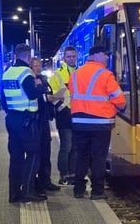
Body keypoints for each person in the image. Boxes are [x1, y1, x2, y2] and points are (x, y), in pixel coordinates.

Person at [69, 46, 126, 200]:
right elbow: (120, 101)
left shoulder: (75, 74)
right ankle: (97, 191)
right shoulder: (106, 75)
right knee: (99, 157)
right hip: (100, 123)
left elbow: (74, 95)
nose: (107, 57)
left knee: (81, 156)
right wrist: (119, 106)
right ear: (97, 55)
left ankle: (78, 190)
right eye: (105, 55)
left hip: (79, 122)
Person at [1, 44, 47, 203]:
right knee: (34, 154)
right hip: (27, 121)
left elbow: (3, 99)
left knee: (16, 157)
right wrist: (41, 87)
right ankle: (28, 190)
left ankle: (13, 193)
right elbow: (32, 93)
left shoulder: (7, 73)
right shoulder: (26, 72)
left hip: (12, 119)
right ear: (28, 57)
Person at [30, 57, 61, 193]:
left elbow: (48, 91)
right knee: (37, 152)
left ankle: (46, 180)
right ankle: (36, 183)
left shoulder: (43, 79)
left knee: (46, 152)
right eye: (35, 65)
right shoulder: (29, 80)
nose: (37, 68)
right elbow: (34, 96)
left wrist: (50, 95)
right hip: (35, 121)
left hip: (44, 120)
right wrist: (44, 96)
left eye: (39, 65)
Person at [49, 46, 77, 185]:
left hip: (78, 114)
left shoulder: (79, 72)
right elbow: (53, 96)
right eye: (69, 56)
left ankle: (72, 173)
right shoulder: (57, 74)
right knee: (67, 145)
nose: (71, 59)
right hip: (64, 114)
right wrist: (63, 107)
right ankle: (63, 174)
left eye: (73, 56)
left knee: (75, 146)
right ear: (64, 58)